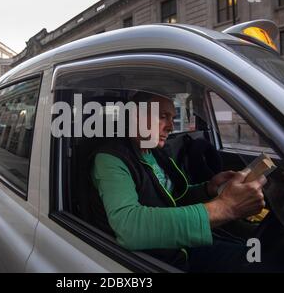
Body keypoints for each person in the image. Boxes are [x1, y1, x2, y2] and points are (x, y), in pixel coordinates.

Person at [90, 92, 268, 272]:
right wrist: (225, 208)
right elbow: (128, 227)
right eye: (162, 117)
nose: (170, 127)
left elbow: (171, 197)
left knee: (260, 257)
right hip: (156, 258)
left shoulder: (155, 152)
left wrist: (208, 188)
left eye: (172, 118)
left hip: (183, 244)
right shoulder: (110, 159)